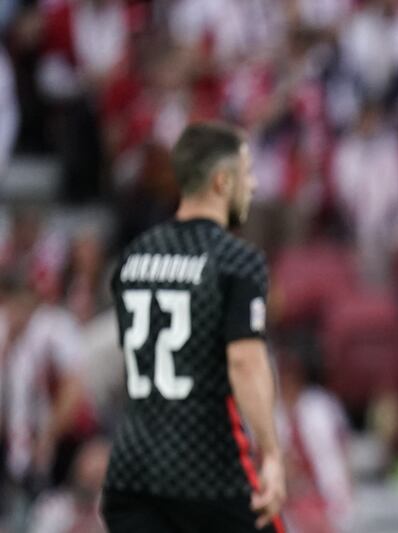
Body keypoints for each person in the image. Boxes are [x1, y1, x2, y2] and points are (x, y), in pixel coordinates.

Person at [101, 122, 287, 533]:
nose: (253, 186)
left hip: (131, 472)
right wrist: (271, 454)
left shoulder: (131, 259)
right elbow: (245, 362)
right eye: (247, 173)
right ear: (222, 182)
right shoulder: (236, 261)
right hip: (209, 473)